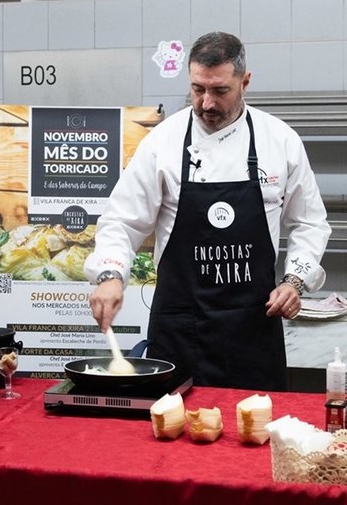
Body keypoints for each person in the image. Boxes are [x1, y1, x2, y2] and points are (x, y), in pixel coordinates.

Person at [83, 31, 331, 391]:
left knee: (254, 435)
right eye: (198, 89)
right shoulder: (162, 143)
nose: (207, 104)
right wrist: (109, 276)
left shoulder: (280, 141)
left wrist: (295, 281)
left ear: (245, 82)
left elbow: (310, 222)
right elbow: (122, 220)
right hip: (180, 330)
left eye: (220, 91)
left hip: (253, 330)